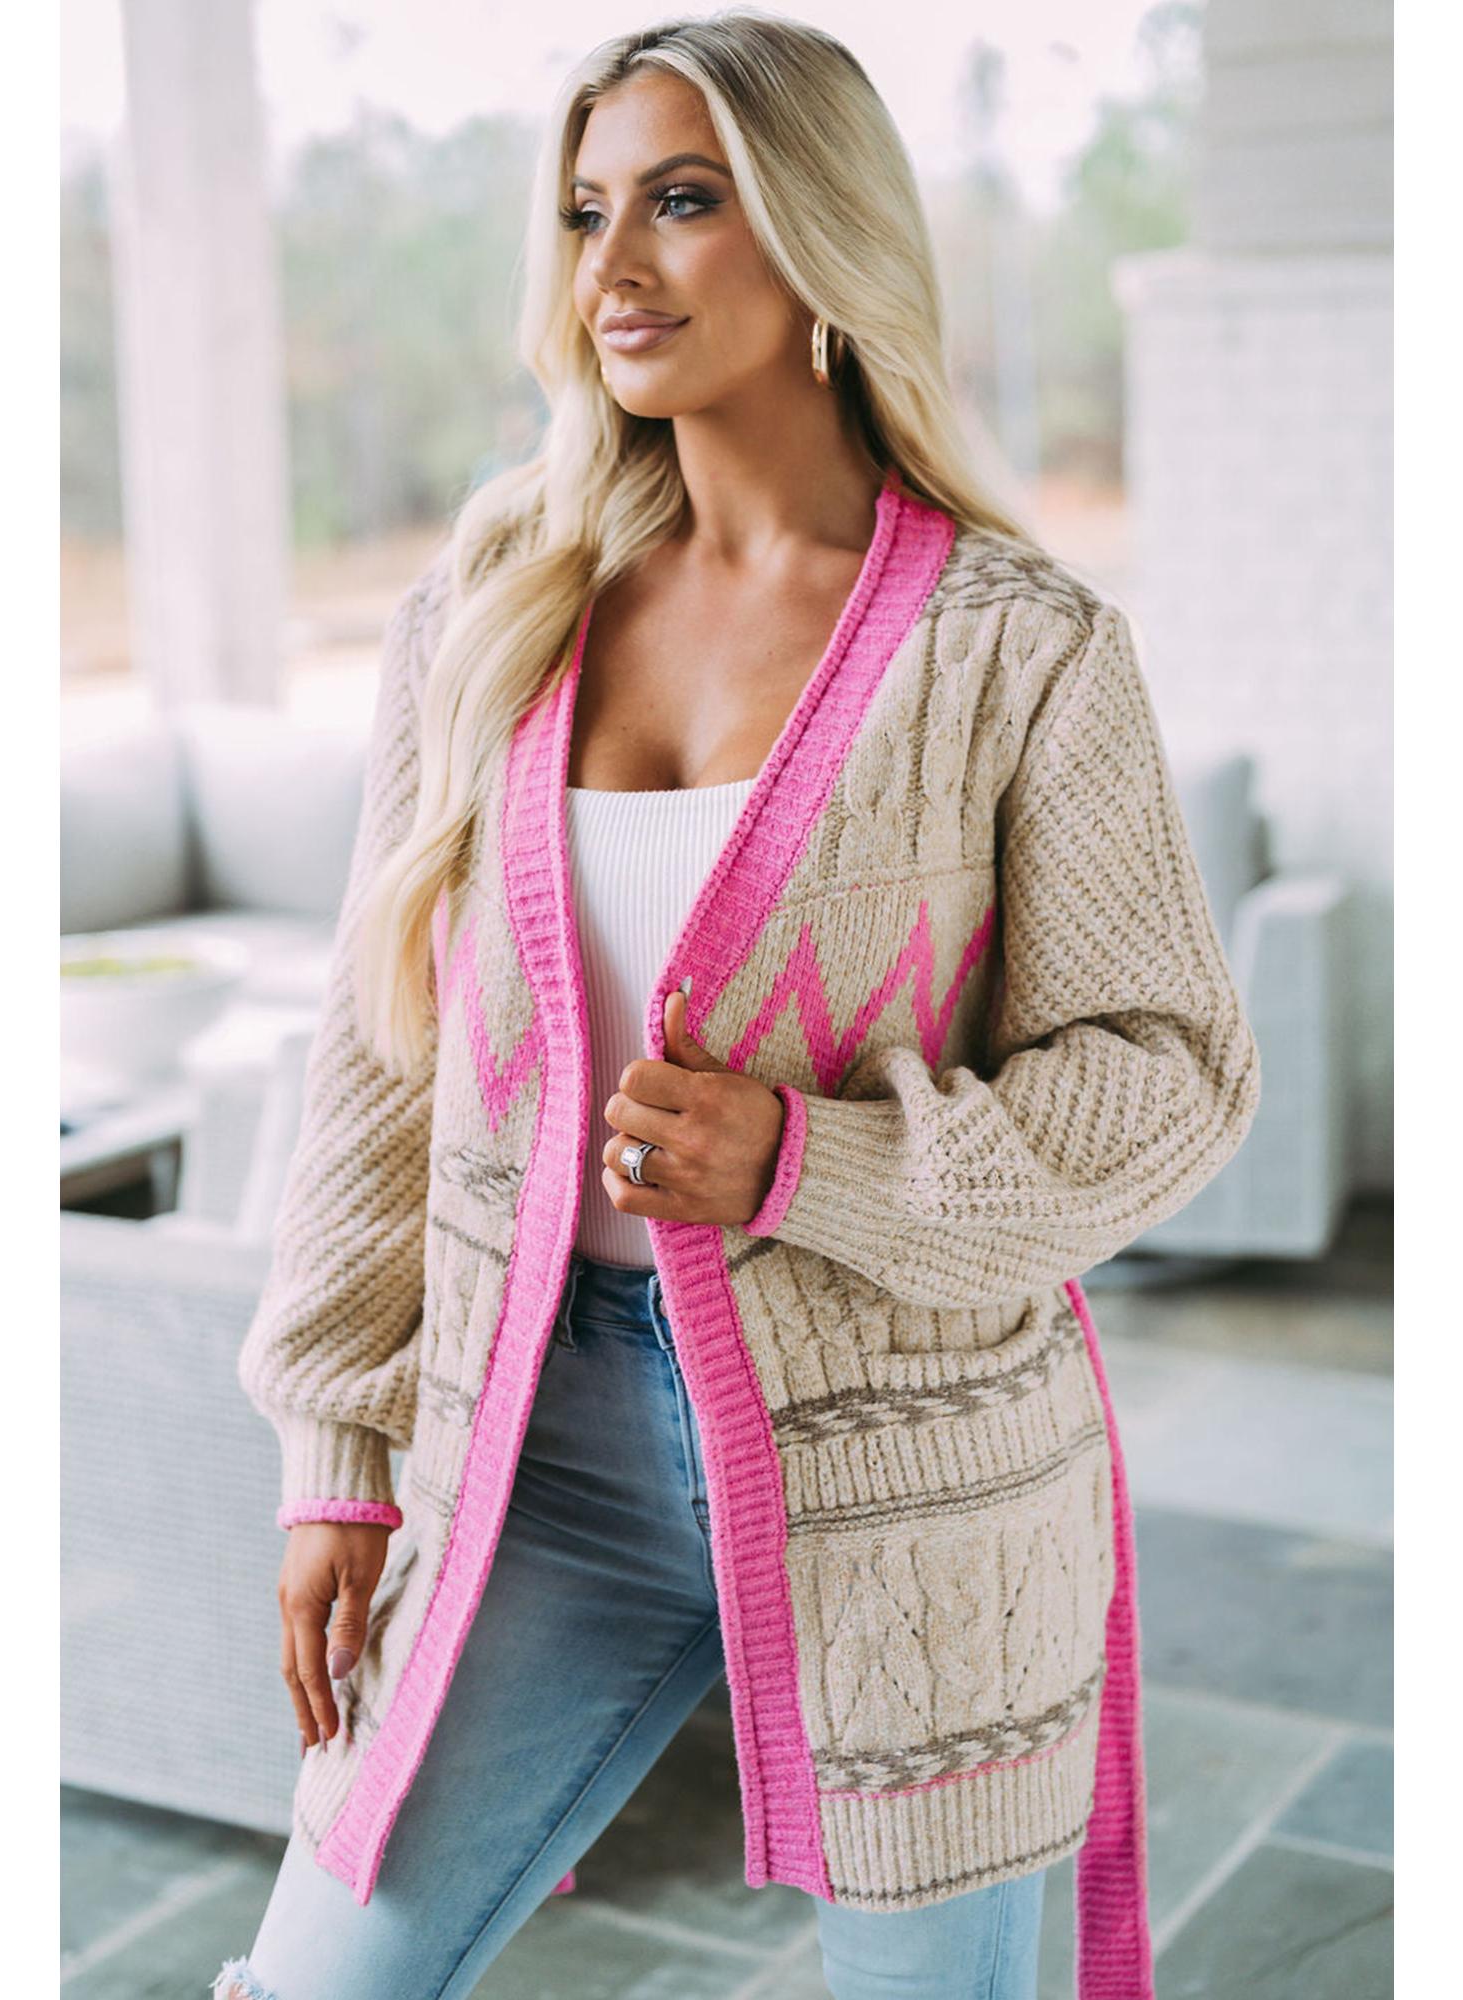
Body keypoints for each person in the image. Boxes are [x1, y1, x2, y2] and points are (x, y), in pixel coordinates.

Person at [211, 11, 1260, 1998]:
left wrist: (806, 1160)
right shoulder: (491, 604)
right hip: (532, 1453)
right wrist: (334, 1445)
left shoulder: (1017, 649)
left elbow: (1170, 1077)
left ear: (817, 236)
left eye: (680, 203)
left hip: (920, 1483)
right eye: (583, 210)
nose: (610, 267)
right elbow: (380, 1051)